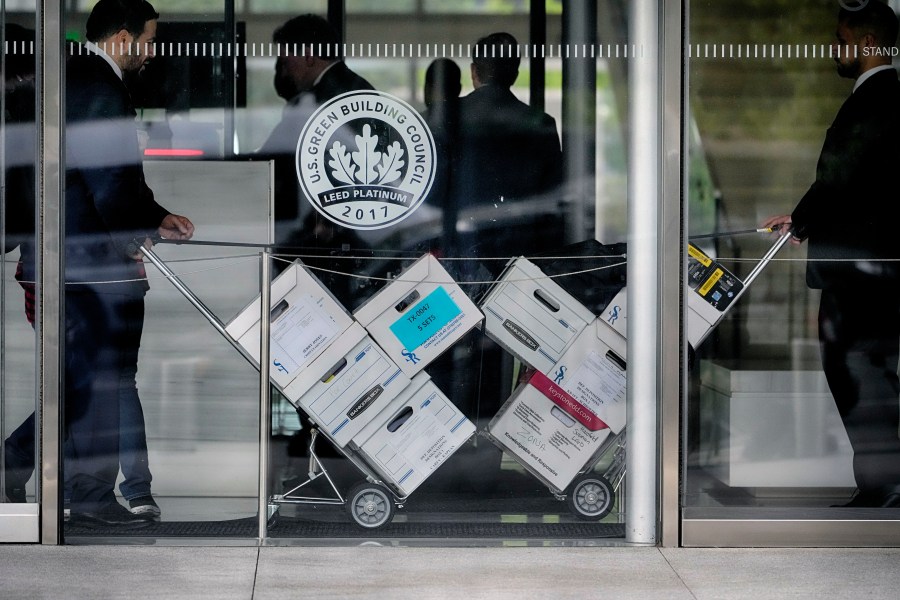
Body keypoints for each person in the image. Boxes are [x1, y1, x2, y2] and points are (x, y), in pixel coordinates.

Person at [4, 0, 195, 528]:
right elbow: (108, 177)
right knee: (95, 381)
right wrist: (148, 223)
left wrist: (150, 217)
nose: (151, 52)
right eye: (149, 40)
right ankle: (74, 489)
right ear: (122, 38)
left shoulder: (66, 76)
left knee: (85, 381)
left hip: (59, 257)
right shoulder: (98, 84)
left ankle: (36, 470)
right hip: (84, 263)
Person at [763, 1, 900, 509]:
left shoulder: (874, 100)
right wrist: (800, 218)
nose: (834, 50)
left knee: (855, 372)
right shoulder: (890, 98)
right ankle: (883, 483)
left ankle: (884, 485)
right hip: (876, 270)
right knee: (870, 372)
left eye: (840, 40)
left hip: (857, 273)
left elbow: (841, 176)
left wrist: (801, 219)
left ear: (866, 44)